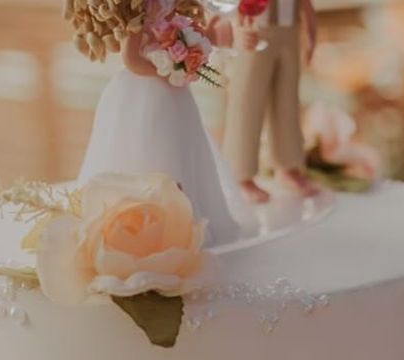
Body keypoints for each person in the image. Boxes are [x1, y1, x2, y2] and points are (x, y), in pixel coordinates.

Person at [78, 28, 243, 246]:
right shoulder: (138, 16)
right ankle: (143, 220)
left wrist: (188, 58)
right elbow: (131, 59)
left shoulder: (171, 14)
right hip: (146, 89)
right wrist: (166, 71)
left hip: (173, 90)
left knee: (181, 149)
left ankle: (181, 219)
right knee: (150, 146)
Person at [217, 0, 320, 204]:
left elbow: (305, 4)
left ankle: (288, 165)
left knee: (287, 101)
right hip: (256, 30)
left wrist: (310, 33)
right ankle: (240, 173)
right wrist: (238, 28)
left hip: (290, 32)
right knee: (247, 101)